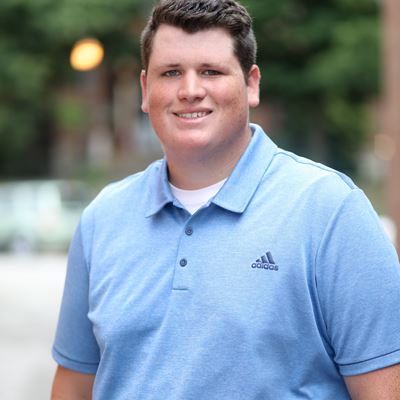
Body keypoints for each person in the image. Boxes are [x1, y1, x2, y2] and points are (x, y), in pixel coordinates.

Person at [51, 0, 400, 398]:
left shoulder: (330, 210)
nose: (190, 91)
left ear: (251, 84)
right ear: (146, 90)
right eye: (171, 73)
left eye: (211, 71)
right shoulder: (103, 218)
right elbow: (73, 387)